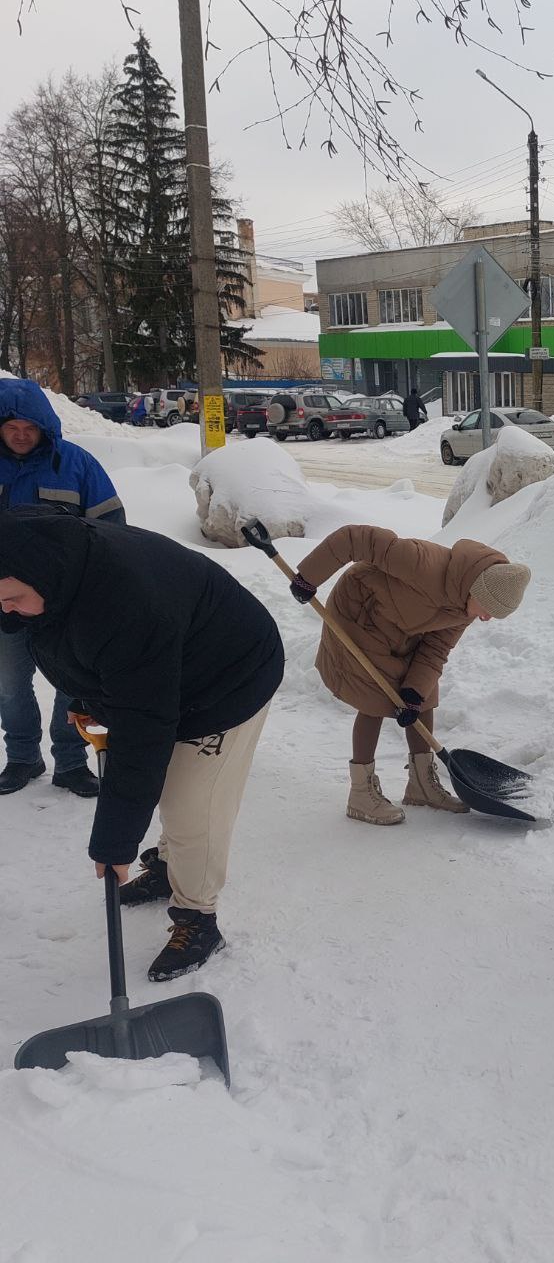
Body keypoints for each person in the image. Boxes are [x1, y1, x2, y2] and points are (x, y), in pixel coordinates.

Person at [0, 506, 284, 981]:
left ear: (38, 577)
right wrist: (90, 696)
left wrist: (115, 844)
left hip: (228, 678)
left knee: (191, 806)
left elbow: (143, 729)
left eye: (11, 597)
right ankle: (170, 866)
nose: (4, 609)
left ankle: (198, 917)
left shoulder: (123, 600)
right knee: (171, 789)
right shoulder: (43, 558)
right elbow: (73, 642)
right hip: (170, 662)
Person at [288, 525, 532, 825]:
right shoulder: (422, 563)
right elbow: (355, 538)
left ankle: (421, 785)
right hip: (360, 610)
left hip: (402, 626)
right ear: (476, 591)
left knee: (424, 694)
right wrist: (309, 576)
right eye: (488, 608)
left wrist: (414, 693)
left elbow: (435, 650)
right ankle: (361, 793)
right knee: (375, 696)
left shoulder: (465, 608)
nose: (486, 617)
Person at [0, 378, 125, 798]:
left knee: (71, 683)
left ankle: (71, 762)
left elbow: (110, 528)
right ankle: (21, 757)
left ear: (45, 429)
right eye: (12, 427)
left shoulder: (76, 464)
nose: (20, 436)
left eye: (29, 428)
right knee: (10, 683)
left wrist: (100, 587)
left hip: (66, 603)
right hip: (5, 602)